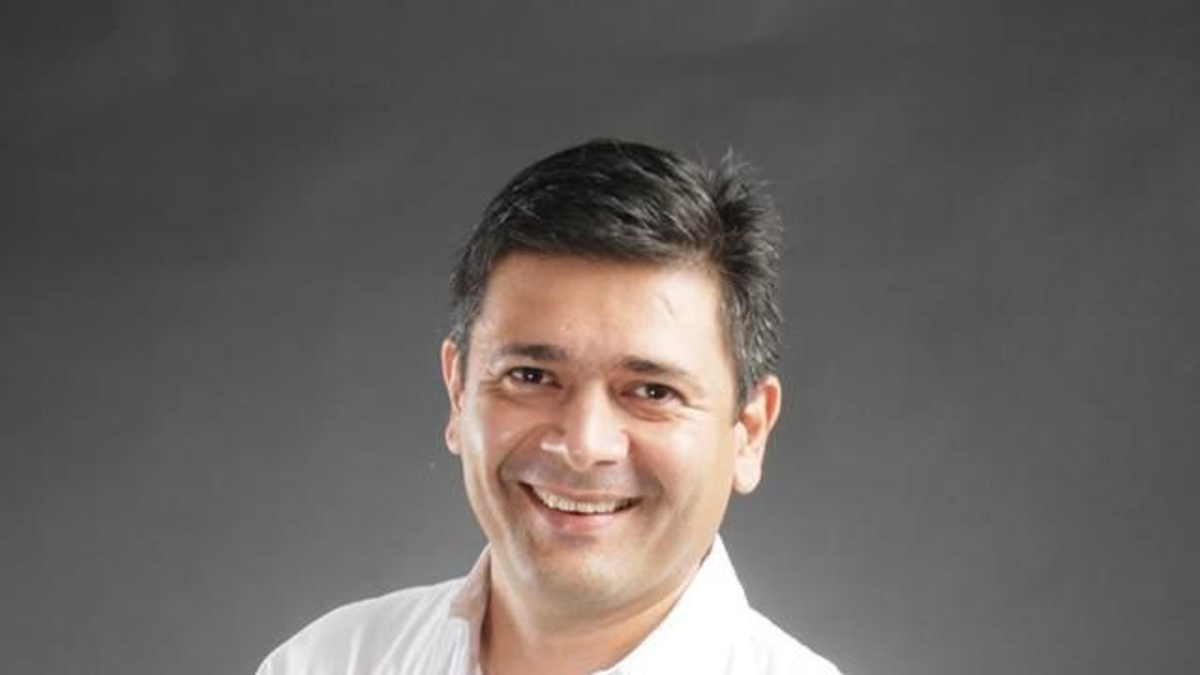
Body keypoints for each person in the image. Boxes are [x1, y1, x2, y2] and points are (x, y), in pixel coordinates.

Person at [256, 139, 843, 675]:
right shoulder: (327, 663)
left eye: (652, 391)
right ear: (459, 393)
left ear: (749, 432)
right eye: (532, 376)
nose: (584, 445)